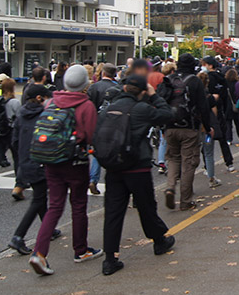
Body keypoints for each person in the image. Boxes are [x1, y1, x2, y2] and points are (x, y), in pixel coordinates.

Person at [29, 65, 102, 276]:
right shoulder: (85, 105)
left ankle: (39, 252)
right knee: (78, 205)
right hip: (74, 161)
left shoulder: (51, 101)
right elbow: (90, 136)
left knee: (55, 206)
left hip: (51, 159)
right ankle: (81, 250)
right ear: (85, 84)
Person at [101, 74, 176, 276]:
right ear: (143, 91)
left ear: (124, 88)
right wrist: (154, 96)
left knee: (113, 212)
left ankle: (110, 258)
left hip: (114, 166)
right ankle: (159, 240)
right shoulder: (141, 109)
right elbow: (167, 114)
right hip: (137, 165)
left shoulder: (109, 109)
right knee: (146, 206)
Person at [8, 85, 61, 255]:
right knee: (38, 199)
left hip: (26, 161)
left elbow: (14, 142)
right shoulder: (44, 115)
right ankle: (18, 235)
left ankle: (49, 228)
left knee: (40, 196)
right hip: (41, 161)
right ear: (39, 98)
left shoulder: (21, 114)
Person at [159, 54, 213, 211]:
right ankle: (185, 200)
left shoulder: (169, 79)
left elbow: (160, 101)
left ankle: (170, 187)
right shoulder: (195, 81)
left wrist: (162, 126)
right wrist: (207, 126)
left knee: (173, 159)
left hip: (170, 125)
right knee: (188, 163)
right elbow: (203, 106)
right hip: (189, 126)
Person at [85, 63, 119, 195]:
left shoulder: (94, 87)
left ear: (103, 73)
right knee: (114, 154)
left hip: (97, 124)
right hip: (113, 124)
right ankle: (113, 182)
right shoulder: (118, 88)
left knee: (97, 154)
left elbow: (89, 106)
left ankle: (93, 179)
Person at [201, 56, 234, 171]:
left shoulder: (207, 78)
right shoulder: (222, 77)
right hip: (221, 112)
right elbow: (225, 95)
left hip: (209, 114)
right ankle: (229, 162)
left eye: (204, 64)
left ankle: (207, 166)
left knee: (208, 139)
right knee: (222, 138)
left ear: (210, 65)